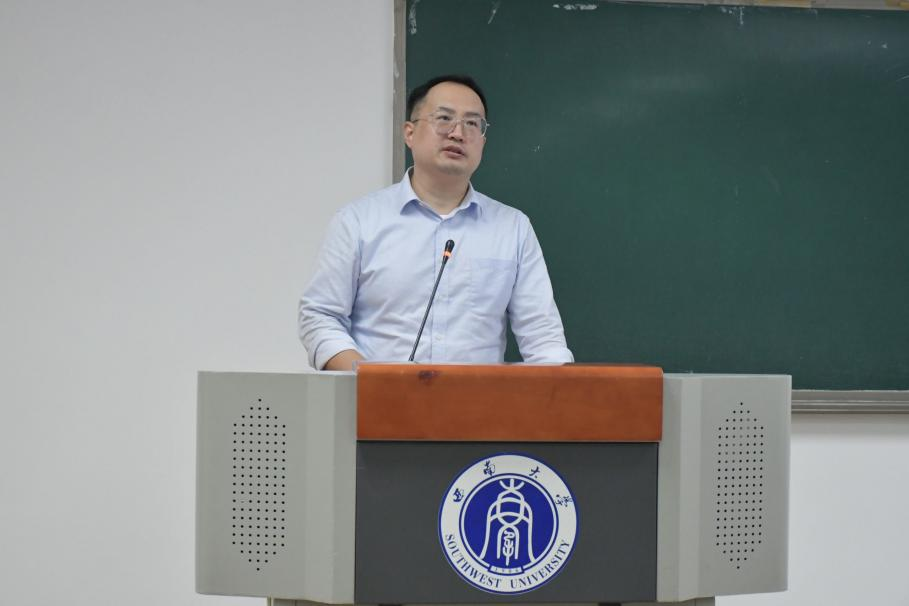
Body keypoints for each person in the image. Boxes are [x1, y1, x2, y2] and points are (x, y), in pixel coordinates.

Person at [299, 75, 572, 370]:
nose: (458, 133)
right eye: (444, 118)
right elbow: (321, 318)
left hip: (478, 399)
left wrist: (559, 385)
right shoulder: (358, 222)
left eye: (472, 123)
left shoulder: (512, 228)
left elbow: (544, 340)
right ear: (409, 133)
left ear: (483, 141)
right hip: (374, 397)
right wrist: (371, 380)